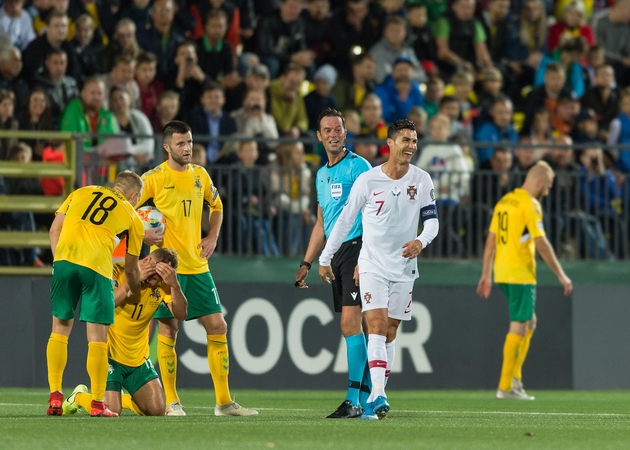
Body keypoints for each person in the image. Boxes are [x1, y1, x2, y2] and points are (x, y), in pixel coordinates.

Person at [318, 118, 439, 420]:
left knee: (391, 331)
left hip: (405, 266)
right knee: (377, 324)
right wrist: (324, 257)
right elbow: (345, 220)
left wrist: (420, 242)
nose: (410, 146)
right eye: (405, 140)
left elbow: (433, 222)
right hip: (371, 264)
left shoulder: (422, 180)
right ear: (391, 143)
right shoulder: (369, 180)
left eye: (413, 141)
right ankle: (377, 395)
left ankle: (376, 395)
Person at [137, 120, 257, 417]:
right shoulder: (153, 178)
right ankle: (171, 402)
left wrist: (213, 236)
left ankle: (224, 402)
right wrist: (144, 235)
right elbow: (126, 210)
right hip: (164, 267)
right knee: (169, 327)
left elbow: (216, 206)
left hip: (198, 265)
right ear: (167, 147)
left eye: (189, 142)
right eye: (180, 143)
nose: (187, 148)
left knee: (218, 326)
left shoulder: (201, 175)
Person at [46, 170, 145, 417]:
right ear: (134, 195)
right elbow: (132, 268)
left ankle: (56, 398)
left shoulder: (80, 192)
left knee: (59, 330)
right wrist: (133, 288)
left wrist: (61, 262)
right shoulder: (133, 217)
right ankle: (98, 405)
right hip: (98, 267)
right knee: (97, 339)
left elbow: (53, 230)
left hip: (64, 260)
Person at [294, 108, 372, 419]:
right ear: (319, 136)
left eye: (338, 128)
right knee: (361, 326)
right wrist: (307, 261)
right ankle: (370, 398)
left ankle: (354, 400)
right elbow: (322, 222)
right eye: (327, 130)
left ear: (345, 132)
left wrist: (366, 254)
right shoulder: (322, 174)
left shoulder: (359, 167)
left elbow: (373, 213)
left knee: (350, 324)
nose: (333, 134)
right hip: (335, 255)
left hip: (357, 248)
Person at [476, 161, 573, 400]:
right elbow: (541, 242)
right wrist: (561, 275)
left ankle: (514, 379)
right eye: (548, 186)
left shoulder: (505, 202)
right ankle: (506, 385)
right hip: (520, 273)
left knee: (530, 321)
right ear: (539, 181)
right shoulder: (531, 204)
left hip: (502, 271)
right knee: (519, 324)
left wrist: (486, 274)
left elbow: (490, 241)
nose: (547, 192)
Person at [62, 248, 187, 417]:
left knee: (156, 410)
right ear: (148, 260)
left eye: (158, 280)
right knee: (112, 410)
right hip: (110, 357)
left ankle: (120, 398)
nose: (152, 283)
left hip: (138, 359)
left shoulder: (163, 285)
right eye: (152, 277)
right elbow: (106, 303)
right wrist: (132, 282)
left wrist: (175, 286)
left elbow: (181, 314)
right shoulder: (117, 271)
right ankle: (78, 397)